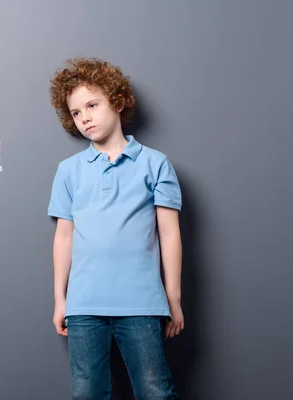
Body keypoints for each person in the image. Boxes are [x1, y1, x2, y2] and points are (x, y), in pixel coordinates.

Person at [47, 57, 184, 399]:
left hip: (141, 302)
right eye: (76, 112)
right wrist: (60, 299)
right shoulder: (69, 171)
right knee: (87, 392)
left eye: (92, 105)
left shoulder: (155, 163)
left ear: (117, 101)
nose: (85, 117)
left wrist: (173, 299)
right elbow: (64, 238)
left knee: (155, 391)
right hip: (84, 304)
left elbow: (169, 235)